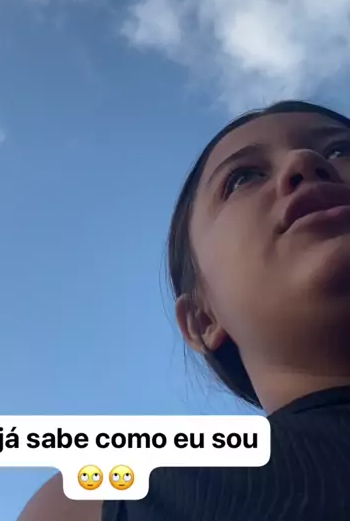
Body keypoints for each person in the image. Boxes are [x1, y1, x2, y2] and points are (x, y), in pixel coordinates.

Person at [18, 99, 350, 520]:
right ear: (202, 319)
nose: (304, 162)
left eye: (341, 150)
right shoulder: (97, 499)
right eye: (243, 178)